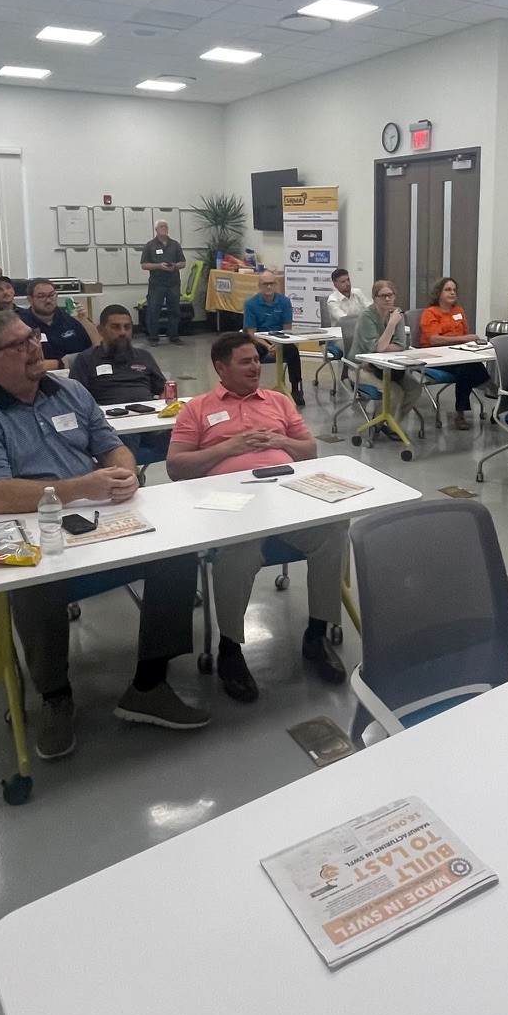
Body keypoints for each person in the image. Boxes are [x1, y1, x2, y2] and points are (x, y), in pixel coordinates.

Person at [0, 309, 205, 760]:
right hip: (23, 521)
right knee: (35, 583)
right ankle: (55, 696)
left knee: (176, 553)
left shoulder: (70, 391)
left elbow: (112, 446)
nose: (34, 347)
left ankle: (148, 685)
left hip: (91, 512)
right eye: (18, 344)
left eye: (32, 337)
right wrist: (80, 488)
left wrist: (124, 473)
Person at [166, 330, 347, 702]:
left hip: (286, 495)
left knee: (332, 530)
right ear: (221, 368)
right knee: (240, 551)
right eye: (245, 362)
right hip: (231, 503)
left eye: (256, 360)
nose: (255, 367)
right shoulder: (197, 408)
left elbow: (309, 451)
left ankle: (316, 635)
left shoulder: (278, 400)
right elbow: (176, 467)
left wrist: (282, 442)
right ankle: (230, 648)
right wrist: (228, 447)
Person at [70, 304, 171, 464]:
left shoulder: (143, 356)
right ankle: (129, 473)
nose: (123, 332)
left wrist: (163, 412)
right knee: (125, 441)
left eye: (127, 327)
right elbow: (74, 400)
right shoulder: (86, 359)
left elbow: (165, 389)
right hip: (110, 427)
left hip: (148, 422)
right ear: (101, 330)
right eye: (115, 327)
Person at [419, 276, 490, 430]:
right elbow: (434, 340)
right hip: (435, 357)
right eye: (448, 290)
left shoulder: (459, 311)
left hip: (458, 354)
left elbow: (465, 335)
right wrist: (463, 339)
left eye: (454, 290)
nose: (452, 293)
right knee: (467, 369)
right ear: (438, 293)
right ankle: (463, 411)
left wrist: (469, 342)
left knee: (469, 365)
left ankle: (466, 408)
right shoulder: (430, 313)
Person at [353, 280, 424, 425]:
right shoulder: (367, 316)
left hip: (390, 365)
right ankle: (380, 424)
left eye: (390, 295)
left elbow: (401, 344)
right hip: (361, 367)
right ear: (375, 298)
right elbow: (378, 347)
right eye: (383, 296)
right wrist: (391, 324)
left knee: (415, 389)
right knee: (394, 392)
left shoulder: (396, 313)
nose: (387, 299)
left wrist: (383, 346)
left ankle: (391, 423)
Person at [243, 271, 305, 406]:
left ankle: (296, 389)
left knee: (293, 351)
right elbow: (251, 333)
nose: (269, 287)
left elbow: (287, 329)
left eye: (272, 283)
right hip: (259, 340)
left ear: (276, 285)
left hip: (279, 339)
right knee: (249, 354)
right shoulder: (250, 304)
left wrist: (278, 344)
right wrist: (267, 346)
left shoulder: (284, 302)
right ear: (259, 285)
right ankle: (248, 389)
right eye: (265, 284)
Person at [24, 277, 98, 367]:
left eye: (51, 295)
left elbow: (99, 344)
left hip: (80, 369)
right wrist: (62, 363)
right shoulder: (23, 323)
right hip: (45, 373)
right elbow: (24, 365)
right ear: (30, 300)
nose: (48, 300)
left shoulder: (71, 315)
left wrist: (84, 320)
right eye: (41, 296)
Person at [140, 220, 186, 345]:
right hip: (157, 284)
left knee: (174, 311)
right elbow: (144, 265)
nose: (164, 228)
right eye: (161, 226)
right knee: (153, 310)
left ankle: (174, 336)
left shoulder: (175, 245)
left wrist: (175, 266)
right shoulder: (149, 245)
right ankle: (153, 337)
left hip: (173, 283)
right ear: (156, 229)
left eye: (166, 226)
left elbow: (183, 263)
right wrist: (159, 266)